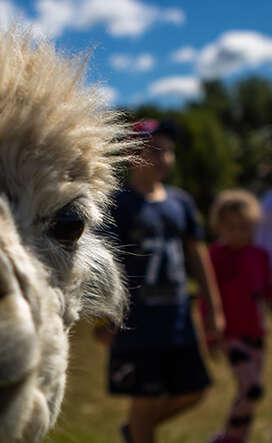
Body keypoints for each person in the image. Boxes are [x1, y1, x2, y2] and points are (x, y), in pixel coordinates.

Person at [96, 119, 225, 443]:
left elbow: (197, 256)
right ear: (132, 156)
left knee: (195, 390)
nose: (164, 158)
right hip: (136, 324)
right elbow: (104, 263)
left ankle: (136, 431)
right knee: (144, 397)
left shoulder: (180, 202)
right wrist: (103, 314)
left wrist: (213, 308)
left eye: (169, 151)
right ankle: (141, 431)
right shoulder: (118, 204)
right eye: (155, 150)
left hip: (178, 319)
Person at [204, 190, 271, 443]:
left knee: (248, 394)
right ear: (219, 226)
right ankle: (227, 438)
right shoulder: (217, 257)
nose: (237, 233)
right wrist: (211, 335)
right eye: (230, 227)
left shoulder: (259, 256)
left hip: (257, 334)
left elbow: (266, 293)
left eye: (243, 227)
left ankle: (237, 437)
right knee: (253, 388)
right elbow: (207, 300)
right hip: (232, 335)